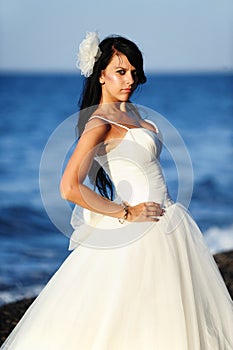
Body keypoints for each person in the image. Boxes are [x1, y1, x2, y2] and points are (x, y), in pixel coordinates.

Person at [1, 32, 233, 350]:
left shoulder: (133, 114)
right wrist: (127, 211)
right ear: (101, 75)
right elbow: (69, 187)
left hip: (167, 222)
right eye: (120, 72)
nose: (130, 79)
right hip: (139, 228)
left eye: (133, 72)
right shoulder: (99, 122)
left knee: (168, 314)